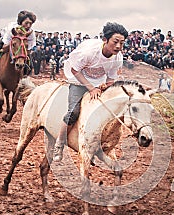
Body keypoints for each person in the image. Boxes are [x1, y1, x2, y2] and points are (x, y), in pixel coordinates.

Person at [52, 22, 129, 162]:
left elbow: (111, 79)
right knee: (74, 112)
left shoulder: (118, 58)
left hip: (98, 83)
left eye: (122, 43)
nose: (118, 46)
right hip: (79, 80)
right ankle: (59, 144)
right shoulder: (90, 52)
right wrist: (91, 88)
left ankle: (95, 146)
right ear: (105, 40)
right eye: (115, 42)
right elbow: (75, 70)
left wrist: (105, 87)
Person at [0, 10, 37, 93]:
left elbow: (29, 47)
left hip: (22, 48)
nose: (28, 25)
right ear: (21, 22)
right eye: (26, 23)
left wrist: (24, 55)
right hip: (7, 44)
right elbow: (6, 46)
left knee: (30, 66)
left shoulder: (31, 33)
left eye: (30, 23)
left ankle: (23, 82)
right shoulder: (12, 28)